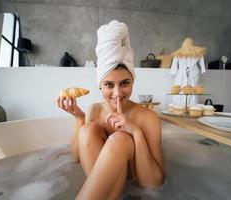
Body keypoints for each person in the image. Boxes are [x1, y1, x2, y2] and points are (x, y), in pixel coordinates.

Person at [57, 20, 165, 199]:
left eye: (124, 83)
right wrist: (79, 118)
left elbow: (153, 182)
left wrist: (135, 132)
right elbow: (76, 158)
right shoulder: (94, 111)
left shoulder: (148, 118)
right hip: (109, 192)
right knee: (88, 128)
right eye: (109, 85)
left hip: (133, 192)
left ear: (132, 82)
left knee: (120, 139)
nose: (117, 93)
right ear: (100, 85)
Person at [170, 38, 207, 106]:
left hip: (190, 73)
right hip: (188, 73)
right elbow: (174, 64)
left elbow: (174, 67)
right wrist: (203, 71)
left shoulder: (198, 53)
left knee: (192, 90)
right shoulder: (179, 53)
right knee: (182, 90)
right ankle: (180, 106)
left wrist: (173, 72)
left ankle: (190, 106)